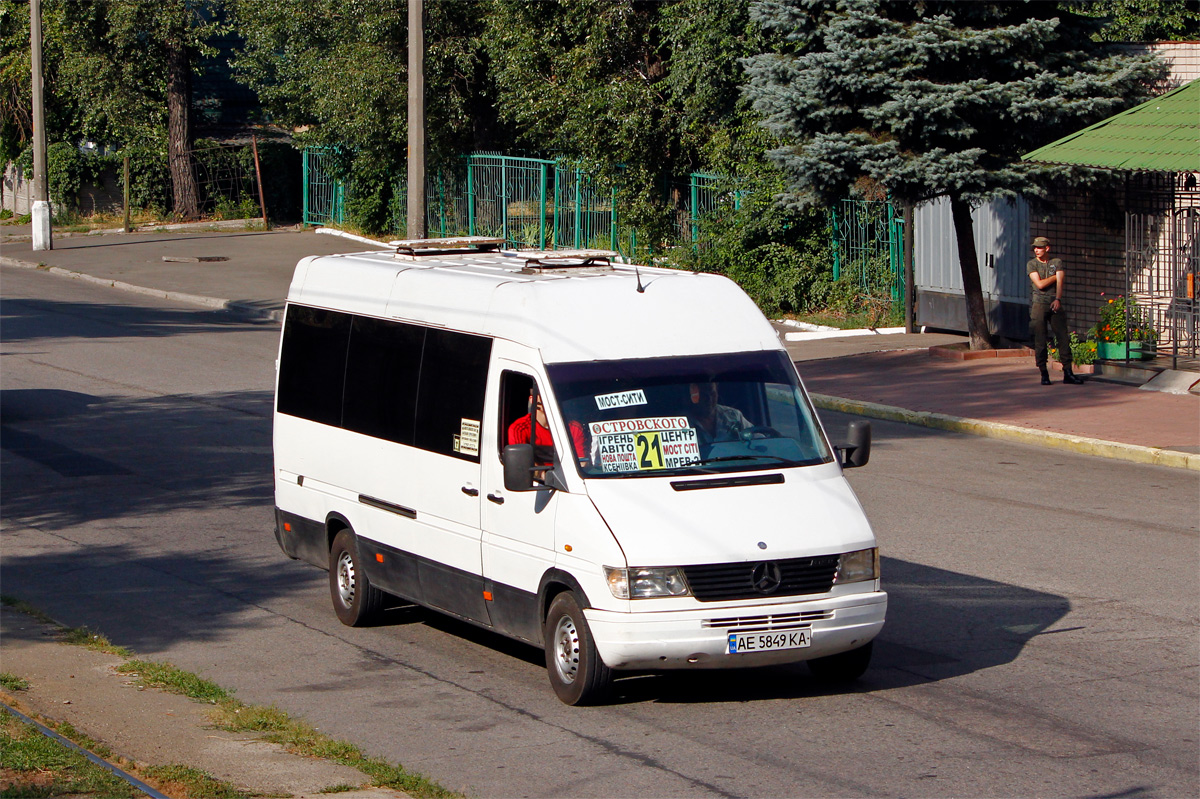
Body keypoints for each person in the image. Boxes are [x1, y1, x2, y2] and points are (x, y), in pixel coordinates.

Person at [1027, 236, 1082, 385]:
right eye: (1035, 248)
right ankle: (1044, 373)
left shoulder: (1056, 262)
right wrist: (1055, 277)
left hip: (1054, 303)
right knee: (1040, 339)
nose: (1036, 250)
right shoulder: (1032, 264)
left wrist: (1058, 299)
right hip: (1039, 305)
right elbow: (1039, 284)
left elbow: (1061, 283)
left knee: (1063, 337)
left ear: (1047, 248)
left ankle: (1068, 372)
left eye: (1039, 247)